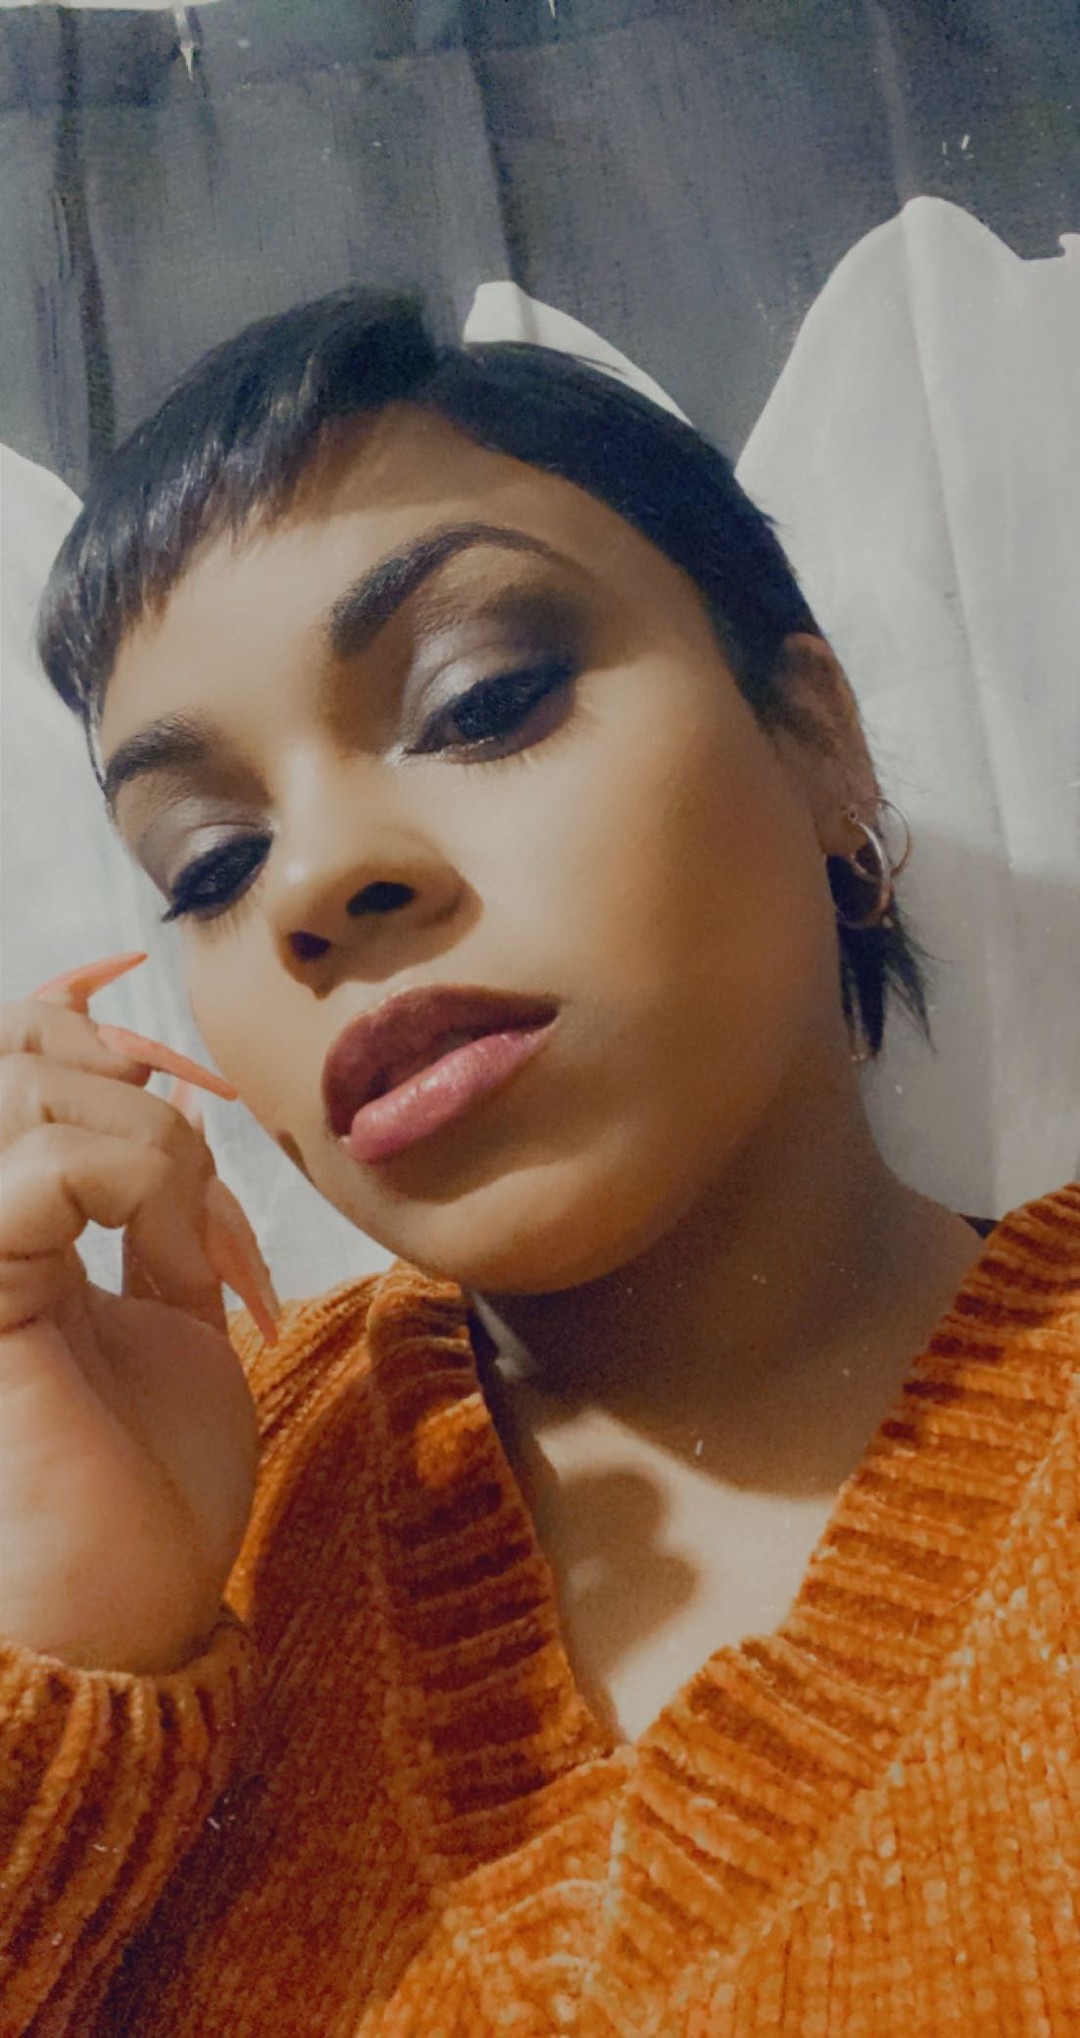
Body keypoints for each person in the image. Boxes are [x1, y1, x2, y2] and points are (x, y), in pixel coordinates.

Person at [0, 288, 1076, 2035]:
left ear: (819, 741)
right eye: (210, 863)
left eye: (482, 698)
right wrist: (78, 1663)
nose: (312, 883)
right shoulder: (186, 1519)